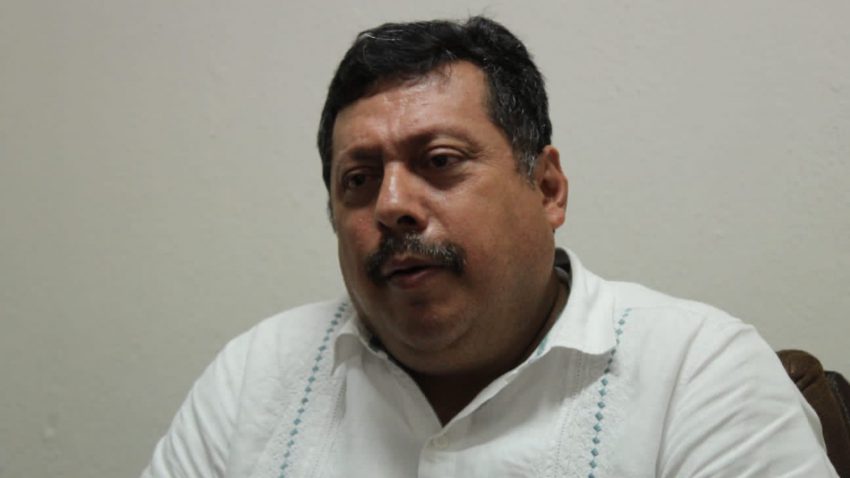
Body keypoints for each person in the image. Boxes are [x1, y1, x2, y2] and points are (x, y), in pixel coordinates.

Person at [142, 16, 838, 477]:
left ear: (547, 188)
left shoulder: (699, 374)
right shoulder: (257, 377)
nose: (390, 204)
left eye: (439, 161)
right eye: (359, 179)